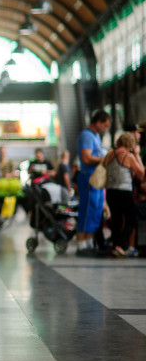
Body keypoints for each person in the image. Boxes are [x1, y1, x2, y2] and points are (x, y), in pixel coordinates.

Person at [76, 109, 112, 255]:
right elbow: (86, 158)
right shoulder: (87, 136)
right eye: (105, 125)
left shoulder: (96, 136)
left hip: (96, 178)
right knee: (87, 209)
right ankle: (81, 245)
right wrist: (105, 159)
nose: (106, 129)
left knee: (96, 211)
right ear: (98, 122)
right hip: (88, 178)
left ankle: (89, 243)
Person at [103, 133, 144, 257]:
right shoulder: (128, 156)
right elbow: (141, 173)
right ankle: (120, 245)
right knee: (131, 219)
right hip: (124, 191)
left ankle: (115, 246)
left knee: (117, 220)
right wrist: (137, 155)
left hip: (110, 191)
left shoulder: (110, 154)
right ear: (130, 144)